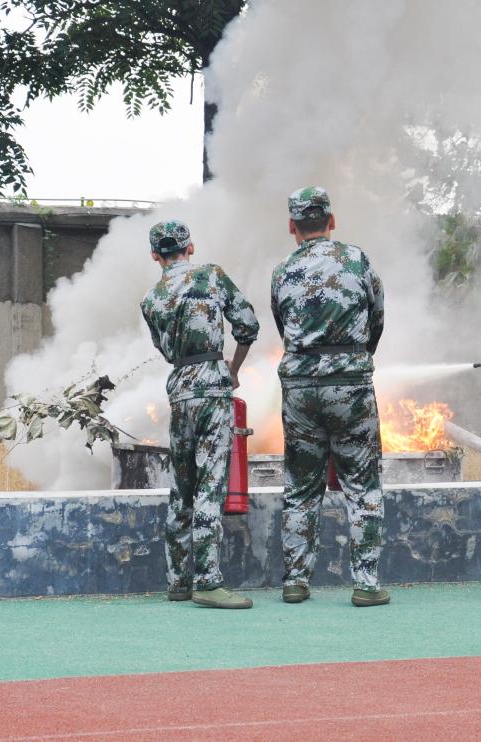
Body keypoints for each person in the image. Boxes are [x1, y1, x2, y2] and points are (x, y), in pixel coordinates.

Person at [270, 186, 389, 607]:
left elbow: (282, 325)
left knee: (301, 487)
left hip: (300, 387)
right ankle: (367, 584)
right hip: (350, 384)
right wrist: (355, 357)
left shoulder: (282, 271)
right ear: (331, 220)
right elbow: (377, 317)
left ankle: (295, 582)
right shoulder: (357, 259)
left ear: (292, 226)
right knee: (363, 486)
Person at [141, 220, 260, 609]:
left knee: (182, 486)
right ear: (190, 247)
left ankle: (178, 581)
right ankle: (207, 582)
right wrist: (233, 370)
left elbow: (164, 350)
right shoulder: (211, 275)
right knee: (210, 484)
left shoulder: (151, 299)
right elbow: (248, 325)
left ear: (155, 255)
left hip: (180, 391)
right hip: (212, 388)